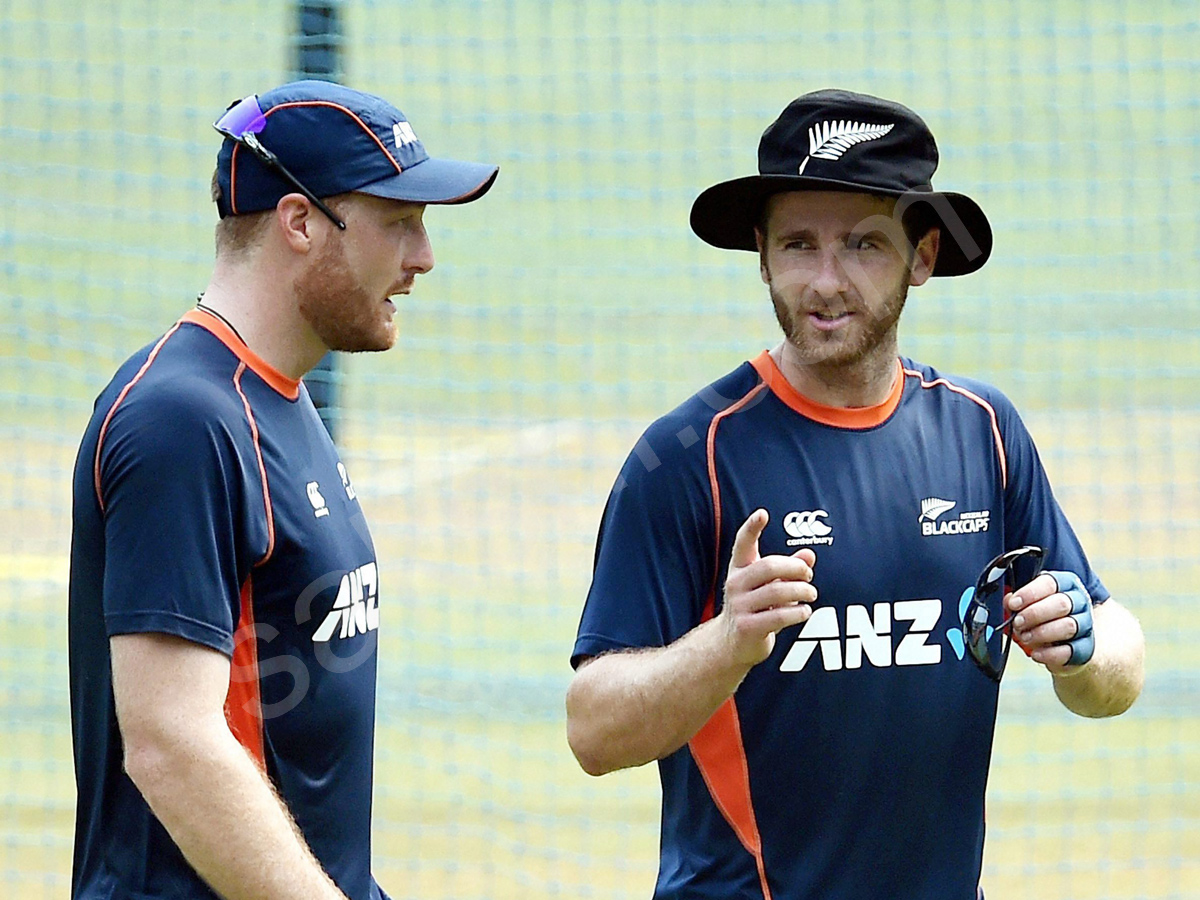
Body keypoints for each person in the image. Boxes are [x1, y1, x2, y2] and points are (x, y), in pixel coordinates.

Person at [565, 89, 1145, 900]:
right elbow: (592, 730)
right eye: (799, 244)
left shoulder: (984, 432)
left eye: (865, 245)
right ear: (762, 255)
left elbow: (1115, 666)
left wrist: (1082, 646)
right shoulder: (686, 457)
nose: (826, 281)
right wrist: (727, 642)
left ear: (924, 257)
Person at [68, 80, 497, 900]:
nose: (424, 256)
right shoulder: (181, 420)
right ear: (301, 223)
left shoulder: (278, 398)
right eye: (399, 221)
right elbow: (170, 739)